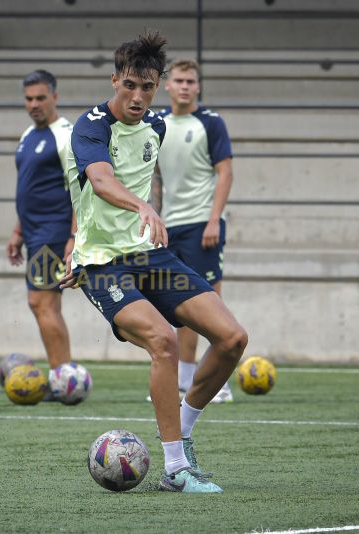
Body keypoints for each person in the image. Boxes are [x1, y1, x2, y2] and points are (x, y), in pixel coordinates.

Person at [61, 33, 248, 493]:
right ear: (114, 80)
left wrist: (152, 208)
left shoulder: (157, 127)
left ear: (158, 85)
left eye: (148, 86)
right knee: (163, 341)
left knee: (231, 338)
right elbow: (100, 181)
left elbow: (144, 179)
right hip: (103, 264)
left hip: (149, 256)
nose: (139, 96)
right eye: (130, 85)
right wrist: (136, 211)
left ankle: (182, 430)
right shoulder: (90, 126)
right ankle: (175, 469)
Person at [150, 58, 235, 404]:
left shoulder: (211, 123)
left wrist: (214, 219)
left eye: (190, 81)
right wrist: (155, 216)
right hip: (171, 227)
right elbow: (155, 176)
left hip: (203, 224)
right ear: (167, 86)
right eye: (179, 81)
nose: (184, 86)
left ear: (198, 87)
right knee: (180, 305)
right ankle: (184, 379)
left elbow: (225, 172)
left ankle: (220, 382)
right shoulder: (157, 124)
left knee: (209, 304)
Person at [6, 70, 75, 385]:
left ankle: (62, 378)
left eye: (40, 98)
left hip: (54, 231)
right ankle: (63, 375)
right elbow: (28, 187)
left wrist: (74, 236)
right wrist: (18, 231)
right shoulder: (27, 135)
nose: (34, 104)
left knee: (41, 302)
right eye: (28, 99)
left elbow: (81, 189)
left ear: (55, 97)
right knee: (47, 304)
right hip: (33, 233)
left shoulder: (66, 135)